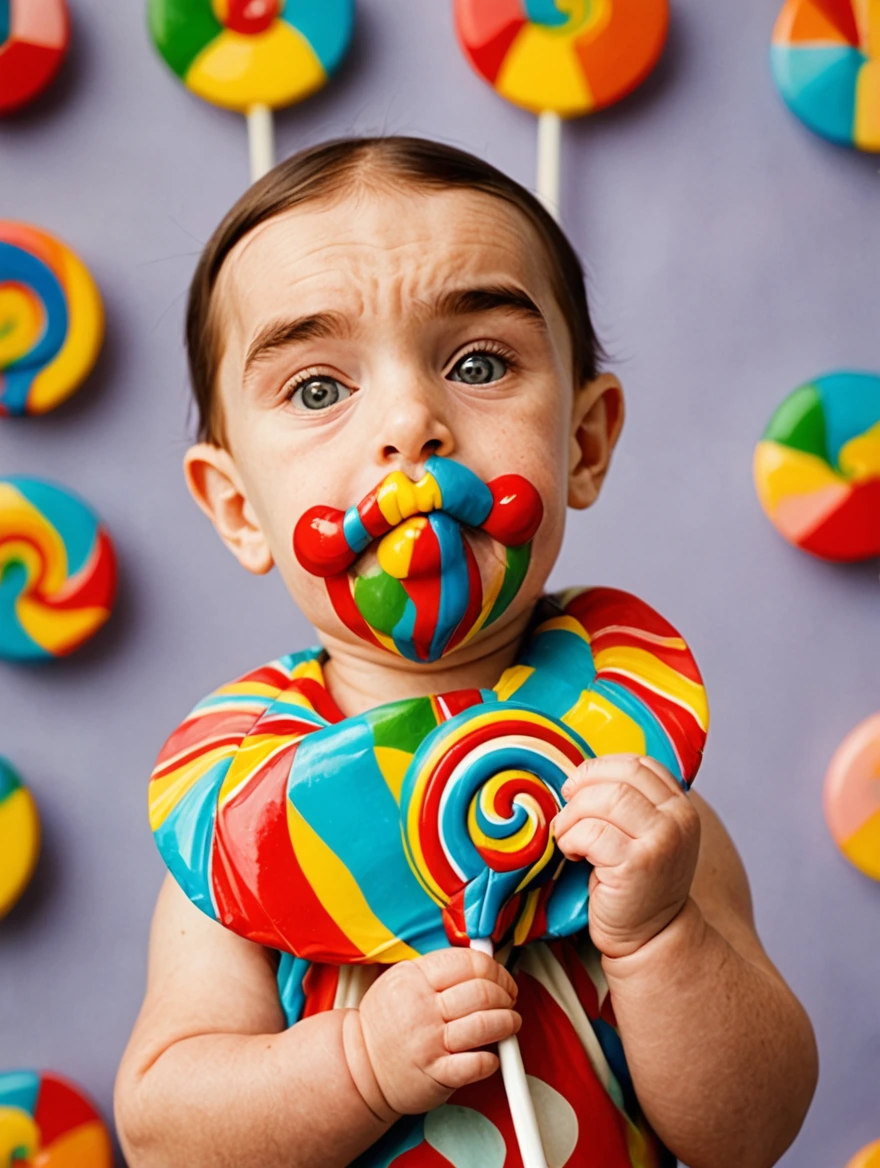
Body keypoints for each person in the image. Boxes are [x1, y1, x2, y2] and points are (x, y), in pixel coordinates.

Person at [114, 136, 817, 1168]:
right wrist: (354, 1061)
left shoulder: (636, 779)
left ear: (582, 442)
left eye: (478, 362)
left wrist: (660, 936)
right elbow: (169, 1134)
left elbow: (749, 1132)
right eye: (317, 388)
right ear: (237, 507)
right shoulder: (244, 823)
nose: (410, 423)